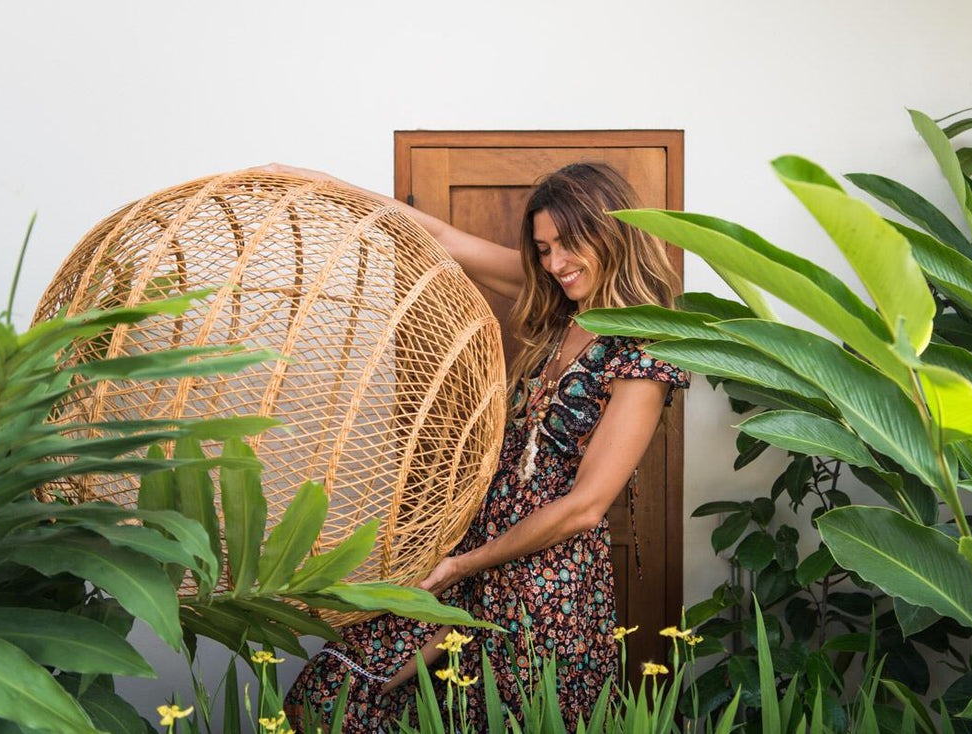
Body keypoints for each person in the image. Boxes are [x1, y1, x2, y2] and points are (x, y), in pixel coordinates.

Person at [261, 161, 689, 732]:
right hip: (471, 543)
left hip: (546, 582)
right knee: (335, 691)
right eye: (542, 249)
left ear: (608, 232)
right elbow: (437, 236)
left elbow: (587, 506)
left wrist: (465, 564)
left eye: (568, 244)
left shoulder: (644, 350)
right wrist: (312, 183)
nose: (555, 264)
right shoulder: (563, 305)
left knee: (507, 717)